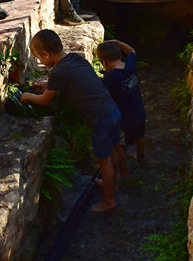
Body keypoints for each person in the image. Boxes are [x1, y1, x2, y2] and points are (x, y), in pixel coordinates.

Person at [21, 30, 120, 211]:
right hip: (112, 110)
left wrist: (27, 96)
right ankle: (111, 180)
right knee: (111, 151)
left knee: (103, 162)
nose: (41, 62)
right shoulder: (74, 59)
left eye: (39, 58)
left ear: (46, 54)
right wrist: (47, 84)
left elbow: (44, 100)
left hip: (100, 119)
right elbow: (70, 79)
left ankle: (109, 201)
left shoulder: (58, 71)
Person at [96, 40, 146, 164]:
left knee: (119, 145)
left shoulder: (110, 78)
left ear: (103, 62)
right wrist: (116, 42)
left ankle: (124, 173)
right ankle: (141, 157)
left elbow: (102, 98)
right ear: (120, 56)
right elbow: (131, 50)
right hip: (139, 112)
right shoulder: (130, 65)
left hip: (123, 120)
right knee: (140, 136)